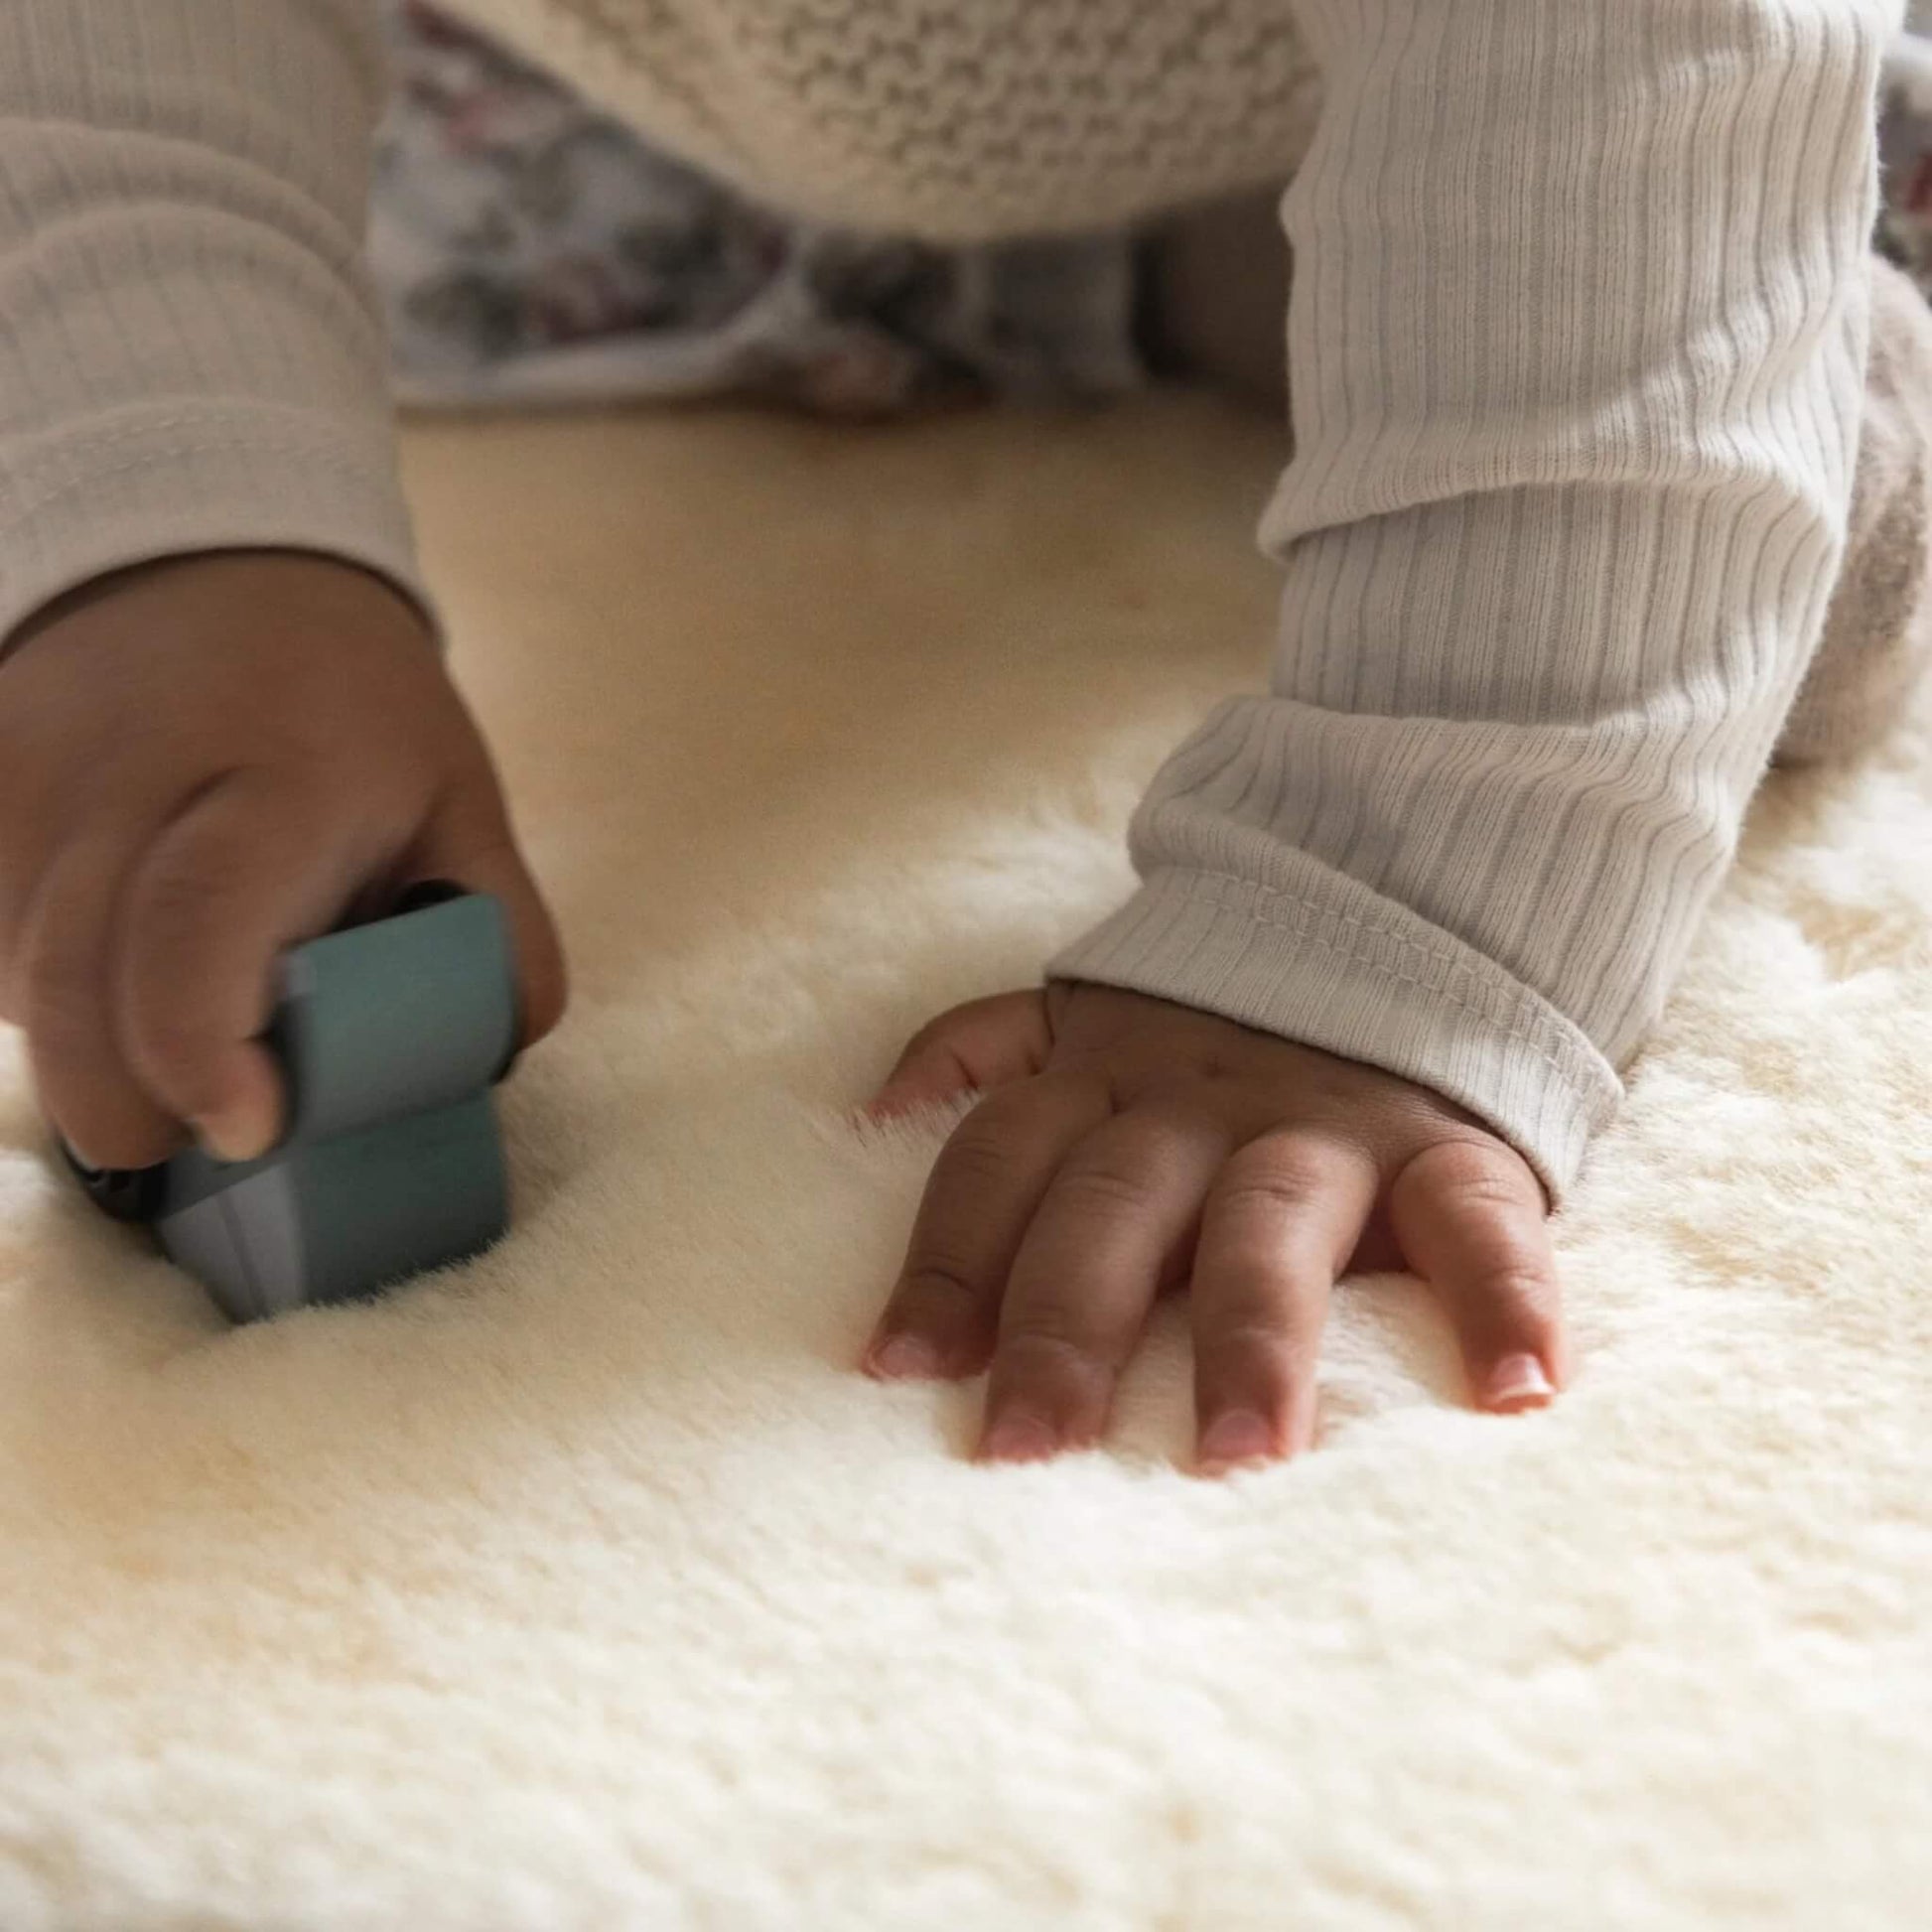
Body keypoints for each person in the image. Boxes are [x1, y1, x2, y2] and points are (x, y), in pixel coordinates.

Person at [1, 1, 1924, 1473]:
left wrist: (1408, 890)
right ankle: (1054, 283)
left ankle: (1780, 295)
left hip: (1494, 87)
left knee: (1734, 546)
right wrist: (185, 535)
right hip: (620, 111)